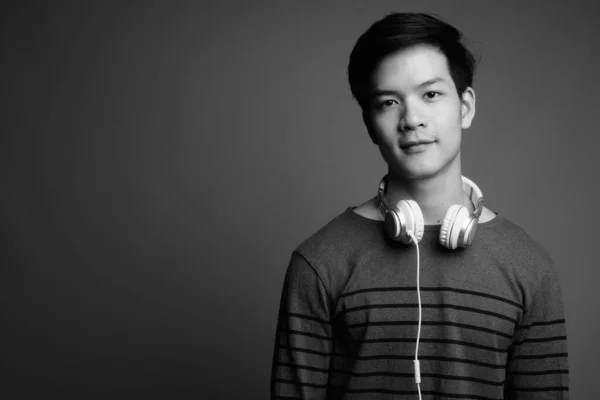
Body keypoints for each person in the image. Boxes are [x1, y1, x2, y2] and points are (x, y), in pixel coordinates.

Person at [270, 12, 569, 400]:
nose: (411, 119)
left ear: (465, 107)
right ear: (368, 123)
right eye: (389, 102)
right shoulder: (319, 263)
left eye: (430, 94)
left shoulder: (530, 269)